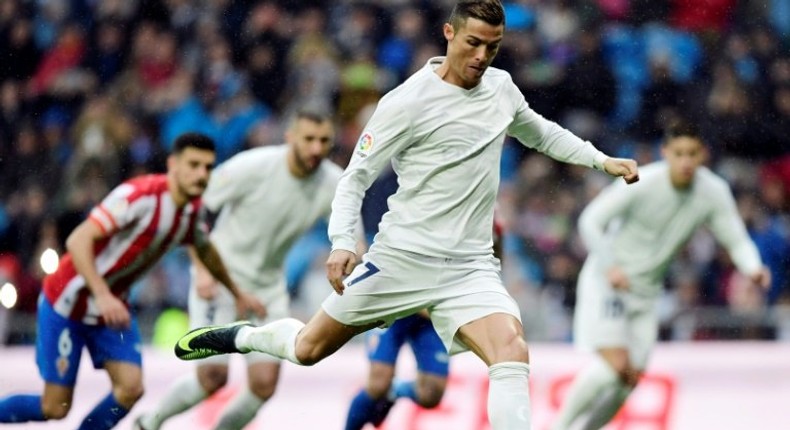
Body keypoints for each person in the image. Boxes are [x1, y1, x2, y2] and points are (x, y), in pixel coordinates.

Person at [174, 2, 639, 429]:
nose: (482, 56)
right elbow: (353, 178)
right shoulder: (405, 102)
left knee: (511, 352)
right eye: (473, 43)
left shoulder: (501, 88)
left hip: (469, 268)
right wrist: (341, 242)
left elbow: (541, 133)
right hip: (400, 261)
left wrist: (601, 161)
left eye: (492, 47)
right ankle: (242, 337)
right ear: (449, 33)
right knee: (306, 349)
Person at [0, 133, 265, 429]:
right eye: (194, 164)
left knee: (131, 389)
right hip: (67, 303)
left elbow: (205, 249)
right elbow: (78, 240)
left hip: (111, 308)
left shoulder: (191, 211)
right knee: (55, 406)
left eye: (207, 167)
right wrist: (101, 294)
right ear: (173, 164)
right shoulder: (139, 196)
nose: (202, 174)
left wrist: (237, 292)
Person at [551, 120, 771, 430]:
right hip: (609, 283)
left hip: (646, 292)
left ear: (702, 155)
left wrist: (753, 268)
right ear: (665, 152)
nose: (685, 161)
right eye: (678, 153)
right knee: (615, 365)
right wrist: (609, 264)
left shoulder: (713, 192)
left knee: (628, 381)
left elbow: (735, 238)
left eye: (692, 153)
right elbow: (590, 221)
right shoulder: (641, 181)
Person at [134, 110, 347, 430]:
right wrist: (202, 269)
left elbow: (350, 236)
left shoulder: (334, 182)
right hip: (220, 279)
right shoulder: (254, 166)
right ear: (290, 137)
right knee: (212, 378)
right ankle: (149, 423)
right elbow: (196, 207)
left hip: (267, 289)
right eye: (308, 139)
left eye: (324, 141)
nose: (316, 148)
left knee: (263, 385)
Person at [344, 216, 505, 430]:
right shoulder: (433, 211)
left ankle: (394, 391)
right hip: (394, 303)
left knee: (431, 394)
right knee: (377, 383)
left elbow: (495, 261)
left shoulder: (489, 216)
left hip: (429, 314)